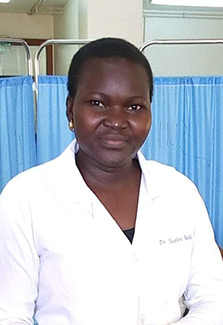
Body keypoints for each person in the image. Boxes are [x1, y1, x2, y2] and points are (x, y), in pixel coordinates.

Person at [0, 38, 223, 325]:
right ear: (70, 111)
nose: (116, 120)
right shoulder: (25, 198)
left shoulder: (179, 191)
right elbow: (8, 313)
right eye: (97, 103)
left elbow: (213, 297)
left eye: (134, 107)